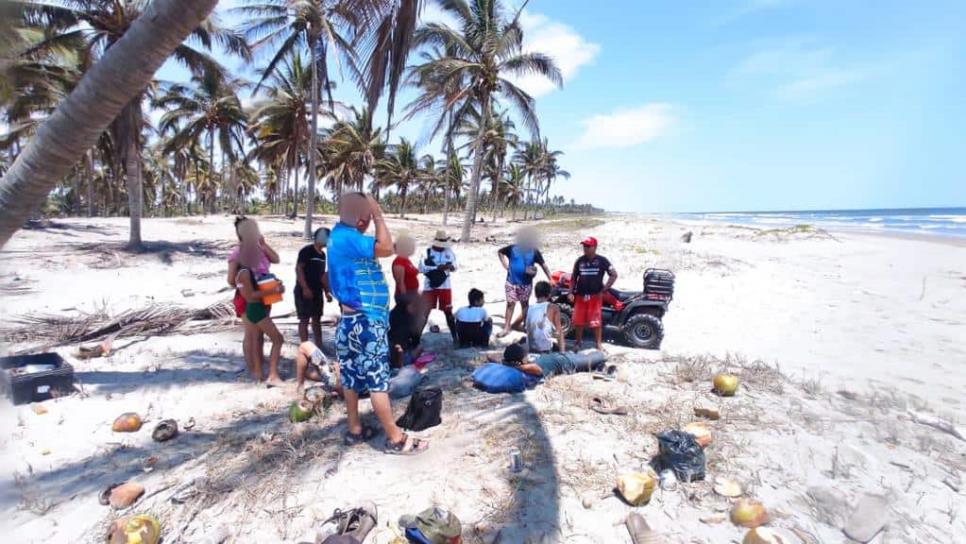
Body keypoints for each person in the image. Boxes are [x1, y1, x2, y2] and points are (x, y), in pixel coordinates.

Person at [327, 192, 428, 454]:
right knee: (377, 380)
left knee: (349, 378)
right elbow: (385, 247)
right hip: (366, 322)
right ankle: (395, 438)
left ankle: (355, 429)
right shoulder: (347, 237)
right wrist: (379, 214)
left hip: (350, 320)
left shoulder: (342, 237)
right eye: (363, 212)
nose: (366, 219)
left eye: (368, 215)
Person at [234, 218, 285, 386]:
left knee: (257, 336)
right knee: (261, 337)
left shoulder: (255, 253)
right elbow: (249, 294)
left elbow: (275, 259)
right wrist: (268, 289)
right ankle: (265, 373)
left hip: (259, 300)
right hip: (253, 302)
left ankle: (258, 372)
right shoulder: (241, 264)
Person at [566, 236, 618, 351]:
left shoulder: (602, 260)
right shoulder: (579, 261)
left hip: (595, 297)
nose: (585, 248)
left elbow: (614, 274)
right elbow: (574, 278)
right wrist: (570, 292)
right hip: (580, 296)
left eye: (588, 246)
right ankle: (578, 343)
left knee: (596, 322)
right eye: (584, 246)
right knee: (578, 322)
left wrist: (604, 289)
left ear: (595, 247)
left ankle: (598, 344)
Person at [497, 228, 551, 336]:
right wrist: (504, 264)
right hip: (511, 282)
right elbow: (500, 252)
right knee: (510, 304)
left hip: (525, 284)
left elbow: (543, 265)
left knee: (525, 305)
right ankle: (507, 328)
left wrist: (550, 278)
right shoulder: (512, 249)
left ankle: (526, 327)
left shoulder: (534, 251)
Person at [295, 227, 334, 346]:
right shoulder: (306, 251)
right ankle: (304, 346)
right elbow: (299, 269)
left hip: (317, 291)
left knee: (317, 319)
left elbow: (322, 275)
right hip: (304, 290)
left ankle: (319, 345)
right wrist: (305, 288)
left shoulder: (322, 255)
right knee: (304, 319)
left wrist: (327, 291)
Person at [419, 230, 458, 341]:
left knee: (448, 312)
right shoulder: (427, 252)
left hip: (445, 286)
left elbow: (456, 266)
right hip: (429, 286)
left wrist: (450, 267)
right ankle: (416, 338)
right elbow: (421, 268)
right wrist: (437, 268)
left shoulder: (449, 252)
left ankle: (455, 338)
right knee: (425, 312)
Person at [489, 342, 605, 377]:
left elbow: (490, 356)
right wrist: (516, 366)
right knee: (600, 355)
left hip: (561, 355)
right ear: (520, 361)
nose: (527, 354)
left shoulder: (515, 362)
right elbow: (538, 370)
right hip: (570, 362)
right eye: (525, 354)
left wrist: (505, 362)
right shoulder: (529, 368)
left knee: (583, 353)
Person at [526, 281, 566, 353]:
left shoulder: (528, 308)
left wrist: (530, 329)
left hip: (531, 349)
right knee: (556, 344)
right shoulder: (553, 307)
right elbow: (559, 331)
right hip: (545, 350)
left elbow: (514, 325)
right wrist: (562, 353)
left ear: (535, 294)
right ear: (549, 295)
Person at [388, 292, 424, 368]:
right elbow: (415, 342)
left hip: (387, 355)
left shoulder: (393, 313)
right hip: (400, 358)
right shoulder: (410, 321)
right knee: (419, 349)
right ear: (408, 306)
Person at [391, 232, 420, 298]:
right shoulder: (399, 262)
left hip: (413, 294)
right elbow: (400, 282)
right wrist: (405, 298)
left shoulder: (406, 260)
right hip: (406, 295)